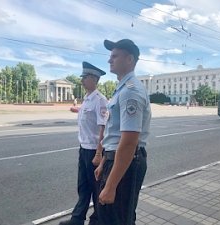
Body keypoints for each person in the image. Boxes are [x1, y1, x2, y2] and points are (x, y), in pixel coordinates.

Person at [95, 39, 151, 225]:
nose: (109, 60)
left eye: (114, 56)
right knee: (109, 217)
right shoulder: (121, 90)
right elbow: (115, 135)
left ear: (129, 59)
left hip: (127, 162)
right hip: (116, 159)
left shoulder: (130, 91)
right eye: (110, 57)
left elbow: (129, 141)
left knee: (118, 219)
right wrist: (104, 161)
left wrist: (111, 186)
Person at [60, 61, 108, 225]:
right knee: (83, 186)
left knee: (96, 189)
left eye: (85, 77)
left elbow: (103, 128)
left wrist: (99, 153)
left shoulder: (100, 100)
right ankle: (77, 219)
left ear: (94, 79)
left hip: (94, 151)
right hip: (84, 149)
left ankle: (97, 220)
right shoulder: (87, 99)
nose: (82, 80)